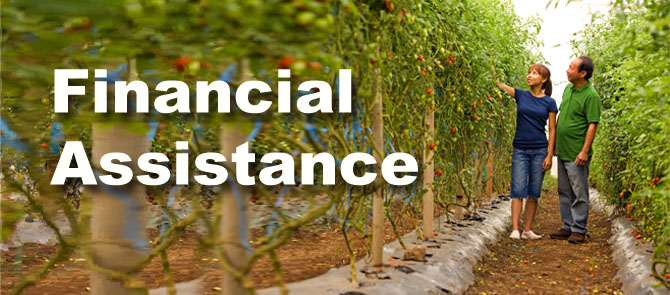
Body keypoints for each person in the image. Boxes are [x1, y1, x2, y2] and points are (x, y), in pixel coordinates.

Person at [493, 64, 558, 240]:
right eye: (529, 72)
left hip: (539, 150)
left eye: (534, 73)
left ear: (543, 79)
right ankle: (515, 229)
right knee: (517, 189)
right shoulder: (520, 95)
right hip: (520, 149)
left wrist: (549, 155)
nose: (529, 75)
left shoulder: (549, 102)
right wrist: (492, 68)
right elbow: (499, 85)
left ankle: (527, 229)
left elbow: (552, 129)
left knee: (534, 192)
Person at [550, 56, 601, 244]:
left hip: (577, 153)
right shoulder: (569, 89)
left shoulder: (591, 96)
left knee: (579, 192)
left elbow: (592, 125)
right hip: (563, 150)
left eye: (571, 68)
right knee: (564, 190)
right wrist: (554, 143)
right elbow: (562, 116)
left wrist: (584, 151)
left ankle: (579, 229)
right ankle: (567, 226)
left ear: (583, 73)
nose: (567, 70)